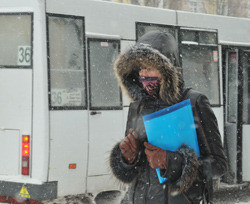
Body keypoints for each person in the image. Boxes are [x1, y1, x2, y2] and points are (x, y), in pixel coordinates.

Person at [109, 30, 227, 204]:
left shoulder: (194, 102)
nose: (143, 74)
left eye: (149, 67)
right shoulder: (137, 106)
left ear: (167, 70)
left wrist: (172, 162)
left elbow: (218, 165)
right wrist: (127, 158)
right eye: (140, 68)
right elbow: (132, 171)